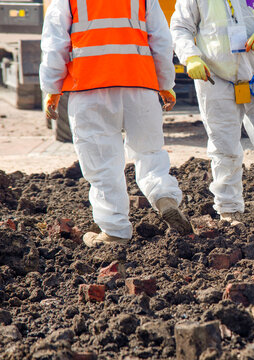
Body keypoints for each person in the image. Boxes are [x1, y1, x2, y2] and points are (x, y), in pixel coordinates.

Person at [40, 0, 192, 247]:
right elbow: (161, 41)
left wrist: (52, 89)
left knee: (102, 161)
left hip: (90, 87)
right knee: (149, 151)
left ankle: (114, 231)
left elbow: (55, 45)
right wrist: (165, 84)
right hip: (140, 85)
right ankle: (164, 196)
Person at [170, 0, 254, 225]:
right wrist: (190, 56)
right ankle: (229, 210)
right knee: (224, 149)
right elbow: (181, 26)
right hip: (214, 76)